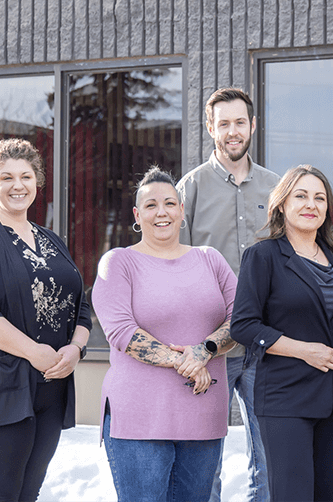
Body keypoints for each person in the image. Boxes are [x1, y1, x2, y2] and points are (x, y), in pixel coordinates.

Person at [0, 138, 92, 502]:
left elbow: (80, 305)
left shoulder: (53, 240)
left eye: (26, 176)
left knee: (29, 494)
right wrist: (36, 352)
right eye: (6, 177)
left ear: (37, 181)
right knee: (0, 496)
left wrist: (76, 349)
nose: (18, 185)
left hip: (51, 388)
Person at [92, 166, 238, 502]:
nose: (162, 212)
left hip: (203, 415)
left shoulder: (210, 259)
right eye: (152, 205)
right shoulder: (118, 263)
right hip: (140, 417)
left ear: (182, 211)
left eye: (170, 203)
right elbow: (122, 332)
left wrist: (205, 350)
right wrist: (187, 362)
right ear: (137, 214)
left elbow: (242, 318)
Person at [231, 165, 333, 502]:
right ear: (282, 205)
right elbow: (244, 326)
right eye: (301, 196)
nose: (312, 204)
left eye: (320, 198)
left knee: (332, 496)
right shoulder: (262, 256)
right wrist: (304, 350)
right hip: (285, 399)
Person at [176, 87, 280, 502]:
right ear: (210, 128)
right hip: (209, 347)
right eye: (223, 124)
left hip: (264, 345)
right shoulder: (189, 189)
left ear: (252, 125)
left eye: (240, 122)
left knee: (270, 454)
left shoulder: (276, 188)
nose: (232, 131)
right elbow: (173, 263)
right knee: (205, 461)